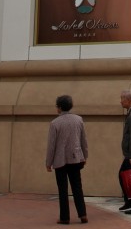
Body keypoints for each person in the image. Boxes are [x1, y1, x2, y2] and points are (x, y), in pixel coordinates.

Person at [46, 95, 89, 225]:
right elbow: (83, 140)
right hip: (76, 158)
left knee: (62, 189)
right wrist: (85, 156)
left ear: (59, 107)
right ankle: (83, 214)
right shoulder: (78, 120)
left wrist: (48, 163)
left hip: (60, 160)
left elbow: (51, 145)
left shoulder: (55, 123)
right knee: (77, 187)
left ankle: (65, 217)